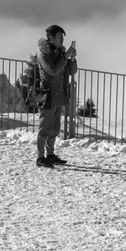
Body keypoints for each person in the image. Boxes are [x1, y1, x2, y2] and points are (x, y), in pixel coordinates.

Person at [34, 25, 74, 168]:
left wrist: (72, 59)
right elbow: (53, 71)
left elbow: (70, 72)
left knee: (54, 128)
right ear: (51, 38)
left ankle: (50, 154)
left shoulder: (59, 52)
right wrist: (65, 57)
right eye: (59, 37)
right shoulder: (44, 54)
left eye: (62, 37)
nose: (62, 40)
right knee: (45, 127)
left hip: (59, 95)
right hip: (48, 95)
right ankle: (40, 157)